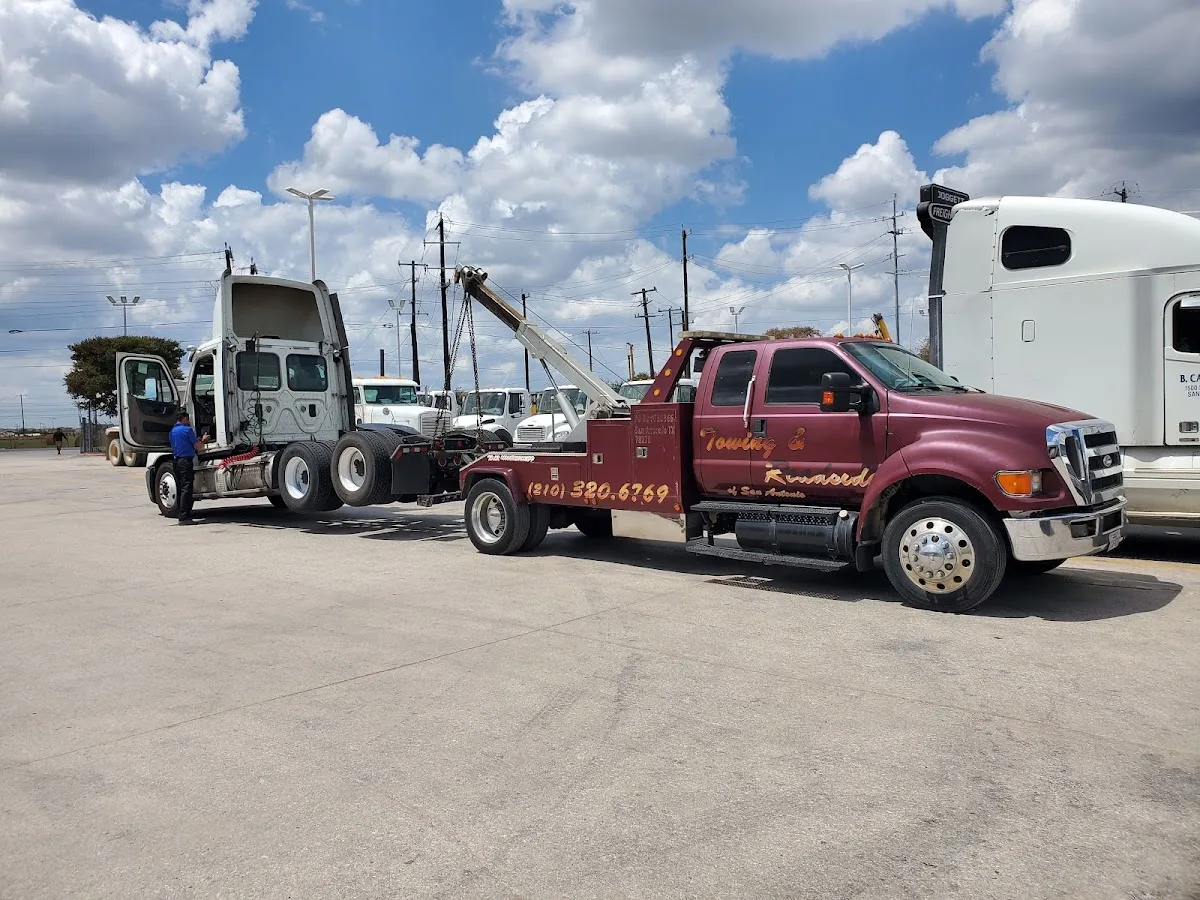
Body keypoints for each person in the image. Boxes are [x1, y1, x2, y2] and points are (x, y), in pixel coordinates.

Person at [168, 411, 209, 522]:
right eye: (188, 419)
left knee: (181, 488)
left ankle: (181, 513)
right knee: (187, 489)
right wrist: (203, 440)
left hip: (176, 461)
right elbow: (199, 447)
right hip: (186, 461)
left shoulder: (172, 432)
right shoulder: (187, 430)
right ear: (184, 418)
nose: (189, 421)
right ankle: (184, 517)